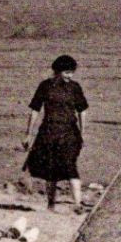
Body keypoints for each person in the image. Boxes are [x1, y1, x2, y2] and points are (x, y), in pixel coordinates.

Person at [22, 54, 87, 210]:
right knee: (50, 170)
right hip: (48, 132)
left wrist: (83, 134)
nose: (69, 76)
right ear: (57, 71)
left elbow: (82, 111)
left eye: (72, 72)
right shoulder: (44, 86)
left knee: (71, 165)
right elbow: (34, 111)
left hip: (70, 132)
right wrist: (28, 134)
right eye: (66, 72)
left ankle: (78, 204)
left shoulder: (75, 87)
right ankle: (51, 204)